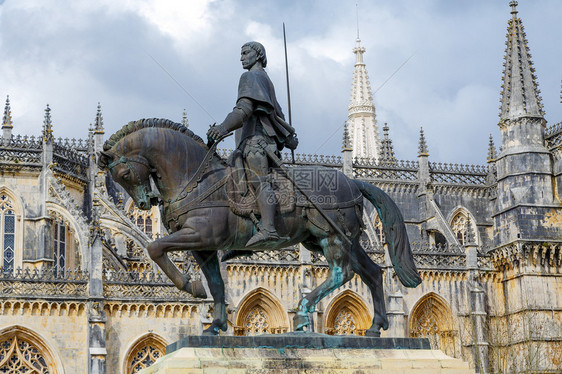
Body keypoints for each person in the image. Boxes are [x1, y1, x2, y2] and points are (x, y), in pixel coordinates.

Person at [207, 41, 297, 247]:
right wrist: (288, 137)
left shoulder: (250, 77)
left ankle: (268, 229)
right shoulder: (265, 80)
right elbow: (278, 115)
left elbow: (244, 110)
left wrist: (222, 128)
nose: (241, 57)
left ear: (258, 55)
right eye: (241, 54)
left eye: (245, 53)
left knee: (259, 181)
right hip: (261, 141)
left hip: (256, 142)